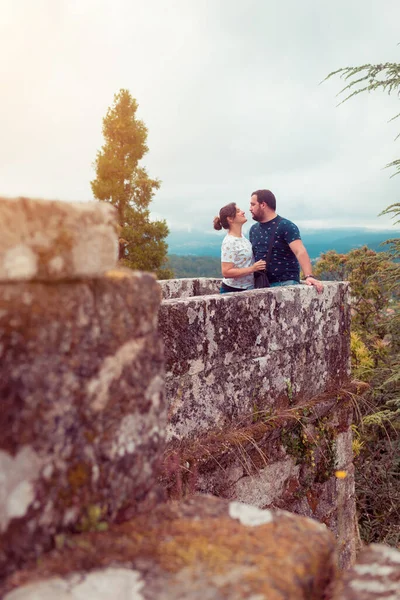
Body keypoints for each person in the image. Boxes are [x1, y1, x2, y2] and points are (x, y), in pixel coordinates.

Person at [249, 189, 323, 293]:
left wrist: (309, 276)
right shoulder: (253, 229)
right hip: (262, 284)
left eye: (253, 204)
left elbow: (299, 251)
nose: (250, 208)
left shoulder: (285, 226)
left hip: (286, 284)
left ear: (263, 205)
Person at [213, 202, 266, 294]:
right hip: (232, 291)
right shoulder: (229, 242)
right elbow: (226, 272)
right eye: (238, 211)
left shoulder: (242, 237)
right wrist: (253, 268)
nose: (243, 212)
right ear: (230, 219)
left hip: (247, 288)